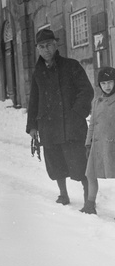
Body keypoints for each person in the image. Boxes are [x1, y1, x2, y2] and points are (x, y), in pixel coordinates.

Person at [26, 28, 94, 207]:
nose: (46, 49)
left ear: (56, 45)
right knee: (55, 162)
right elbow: (34, 99)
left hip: (71, 125)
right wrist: (32, 126)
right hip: (48, 126)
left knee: (80, 163)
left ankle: (89, 199)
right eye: (41, 46)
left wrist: (76, 113)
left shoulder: (71, 66)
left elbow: (86, 91)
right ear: (38, 49)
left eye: (49, 45)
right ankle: (63, 194)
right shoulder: (38, 72)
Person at [81, 67, 115, 215]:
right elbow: (93, 123)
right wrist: (88, 143)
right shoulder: (97, 101)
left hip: (112, 144)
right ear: (99, 85)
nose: (107, 86)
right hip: (97, 144)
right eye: (104, 83)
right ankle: (90, 205)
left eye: (110, 82)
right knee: (90, 174)